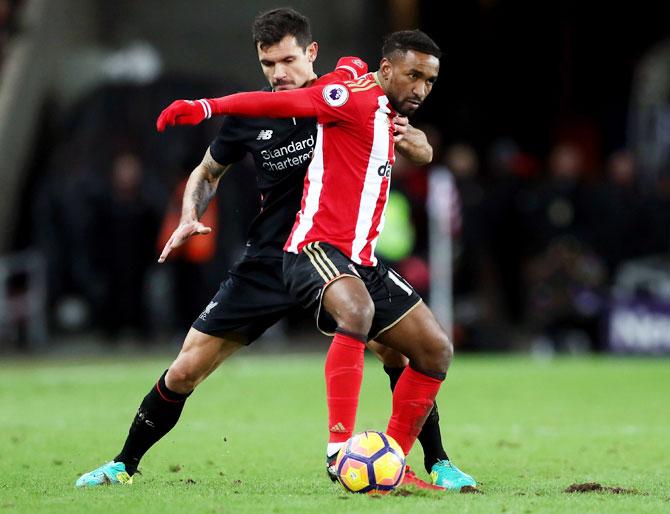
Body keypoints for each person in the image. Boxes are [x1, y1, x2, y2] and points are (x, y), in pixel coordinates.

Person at [76, 9, 472, 490]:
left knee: (399, 349)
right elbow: (207, 173)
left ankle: (431, 461)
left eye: (287, 60)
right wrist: (188, 212)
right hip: (269, 260)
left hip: (339, 254)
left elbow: (405, 125)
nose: (278, 74)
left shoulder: (341, 95)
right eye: (268, 64)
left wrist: (419, 145)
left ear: (311, 53)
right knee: (186, 369)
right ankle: (123, 464)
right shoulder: (252, 116)